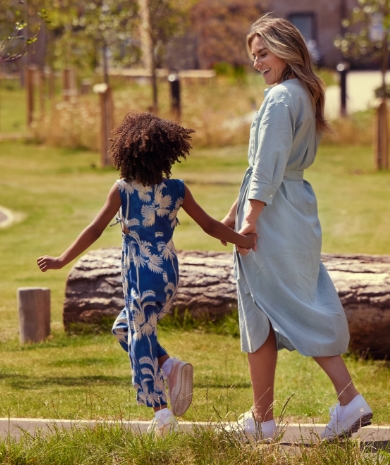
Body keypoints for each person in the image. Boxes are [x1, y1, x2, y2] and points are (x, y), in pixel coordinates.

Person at [37, 112, 254, 437]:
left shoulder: (123, 190)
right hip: (166, 274)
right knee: (124, 329)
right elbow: (210, 225)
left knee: (139, 336)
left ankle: (162, 414)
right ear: (167, 154)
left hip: (141, 274)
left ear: (127, 153)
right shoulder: (177, 189)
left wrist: (61, 260)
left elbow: (95, 229)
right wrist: (244, 240)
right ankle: (169, 366)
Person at [223, 14, 373, 442]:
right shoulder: (302, 94)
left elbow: (267, 167)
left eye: (263, 53)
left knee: (279, 308)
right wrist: (233, 212)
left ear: (286, 50)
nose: (257, 63)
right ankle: (263, 419)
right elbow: (267, 166)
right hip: (294, 208)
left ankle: (347, 401)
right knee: (272, 310)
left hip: (274, 213)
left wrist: (249, 220)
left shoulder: (278, 99)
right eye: (254, 56)